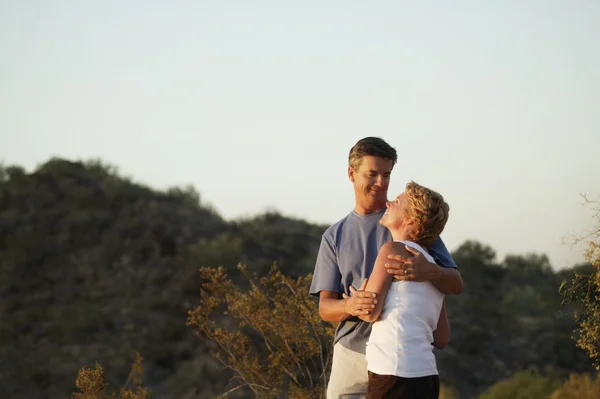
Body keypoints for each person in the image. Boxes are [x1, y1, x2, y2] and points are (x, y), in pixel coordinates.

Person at [309, 137, 463, 399]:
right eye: (372, 174)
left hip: (398, 359)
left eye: (387, 174)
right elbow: (325, 308)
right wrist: (349, 306)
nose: (381, 183)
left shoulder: (413, 226)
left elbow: (455, 283)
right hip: (352, 355)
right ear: (351, 173)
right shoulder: (334, 236)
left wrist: (431, 271)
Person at [361, 181, 451, 399]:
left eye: (398, 201)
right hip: (427, 376)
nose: (389, 202)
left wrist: (358, 298)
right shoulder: (433, 266)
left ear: (410, 219)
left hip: (393, 371)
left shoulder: (392, 250)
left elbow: (369, 312)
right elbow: (442, 338)